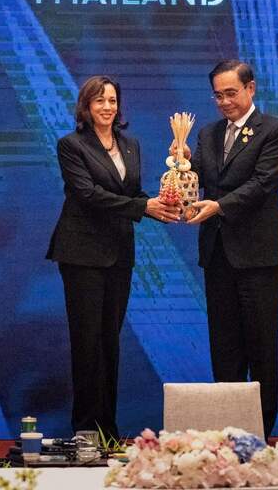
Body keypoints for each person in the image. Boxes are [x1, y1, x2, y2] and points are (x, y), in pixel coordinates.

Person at [47, 75, 181, 436]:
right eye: (99, 101)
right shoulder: (71, 145)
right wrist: (144, 207)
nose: (107, 107)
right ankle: (85, 429)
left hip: (119, 252)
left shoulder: (131, 144)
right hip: (82, 253)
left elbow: (133, 192)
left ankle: (107, 428)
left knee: (110, 340)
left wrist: (168, 196)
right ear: (86, 106)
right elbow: (88, 195)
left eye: (112, 100)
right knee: (87, 341)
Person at [187, 59, 278, 436]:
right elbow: (198, 176)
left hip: (258, 256)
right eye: (218, 95)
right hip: (217, 254)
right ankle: (225, 433)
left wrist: (220, 206)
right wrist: (181, 165)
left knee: (260, 347)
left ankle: (259, 435)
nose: (224, 101)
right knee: (225, 346)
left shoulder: (274, 130)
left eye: (231, 93)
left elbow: (263, 184)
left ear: (251, 89)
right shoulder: (208, 134)